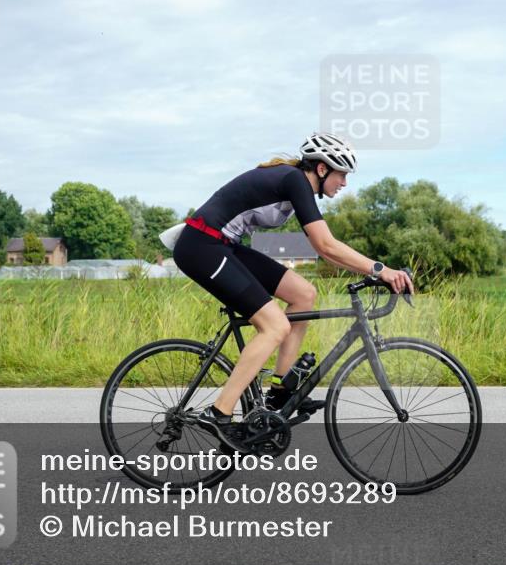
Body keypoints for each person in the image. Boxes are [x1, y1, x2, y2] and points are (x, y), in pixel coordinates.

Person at [172, 132, 414, 450]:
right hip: (201, 246)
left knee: (303, 294)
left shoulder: (294, 183)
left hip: (223, 246)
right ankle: (219, 412)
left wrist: (373, 270)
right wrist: (380, 270)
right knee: (275, 326)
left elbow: (325, 247)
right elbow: (325, 246)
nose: (344, 183)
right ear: (322, 169)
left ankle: (279, 394)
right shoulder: (294, 180)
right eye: (342, 174)